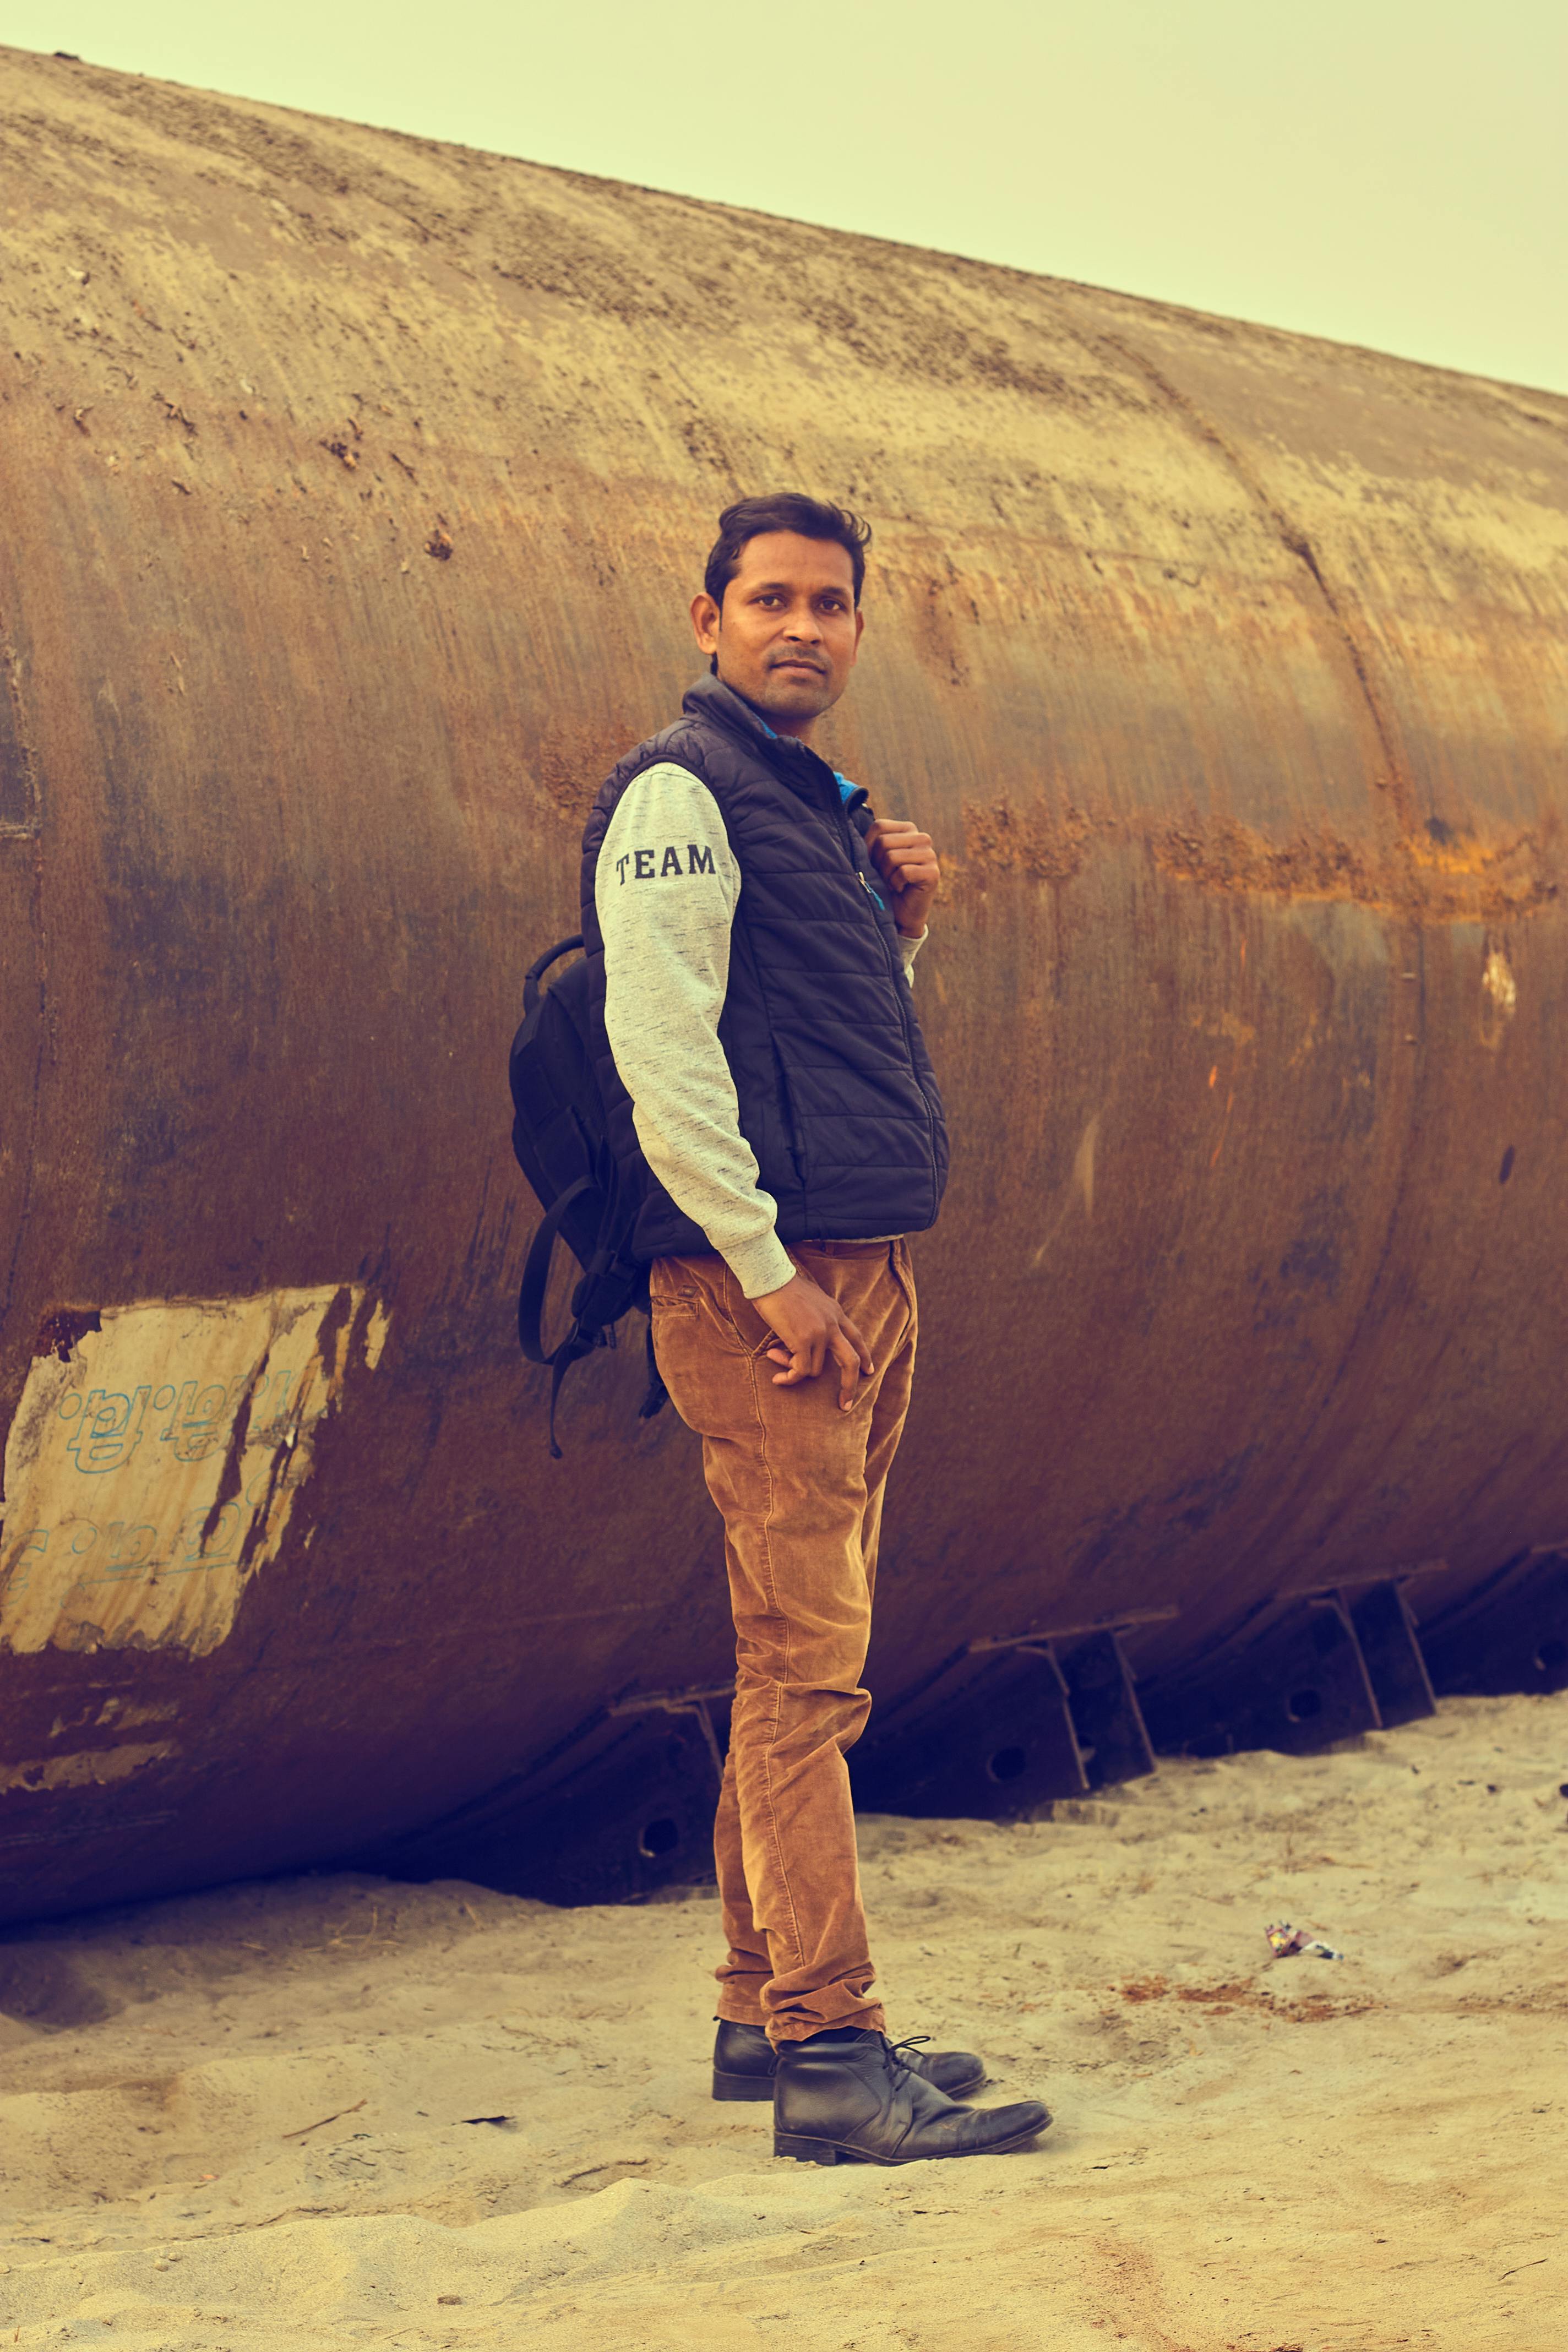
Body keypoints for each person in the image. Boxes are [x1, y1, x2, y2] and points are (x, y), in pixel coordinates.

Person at [580, 492, 1050, 2165]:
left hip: (854, 1272)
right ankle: (835, 2061)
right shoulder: (678, 795)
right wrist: (766, 1267)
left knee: (791, 1655)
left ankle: (750, 2005)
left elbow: (819, 1047)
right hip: (761, 1286)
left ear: (858, 630)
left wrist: (896, 932)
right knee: (808, 1677)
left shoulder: (814, 807)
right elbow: (665, 1046)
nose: (802, 626)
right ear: (704, 619)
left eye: (831, 605)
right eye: (769, 600)